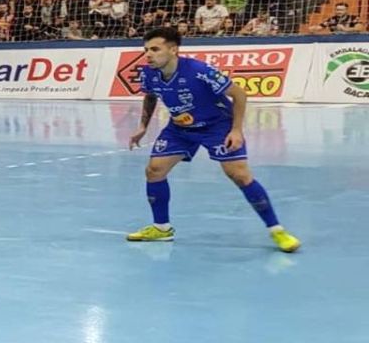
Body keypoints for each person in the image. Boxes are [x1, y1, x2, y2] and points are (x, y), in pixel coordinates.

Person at [126, 27, 300, 252]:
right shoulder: (149, 72)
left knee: (239, 175)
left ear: (173, 50)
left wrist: (236, 130)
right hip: (180, 126)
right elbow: (150, 96)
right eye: (146, 49)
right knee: (154, 170)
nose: (148, 54)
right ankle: (161, 229)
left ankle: (277, 231)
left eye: (155, 49)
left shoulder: (199, 71)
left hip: (217, 126)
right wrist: (142, 126)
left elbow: (239, 94)